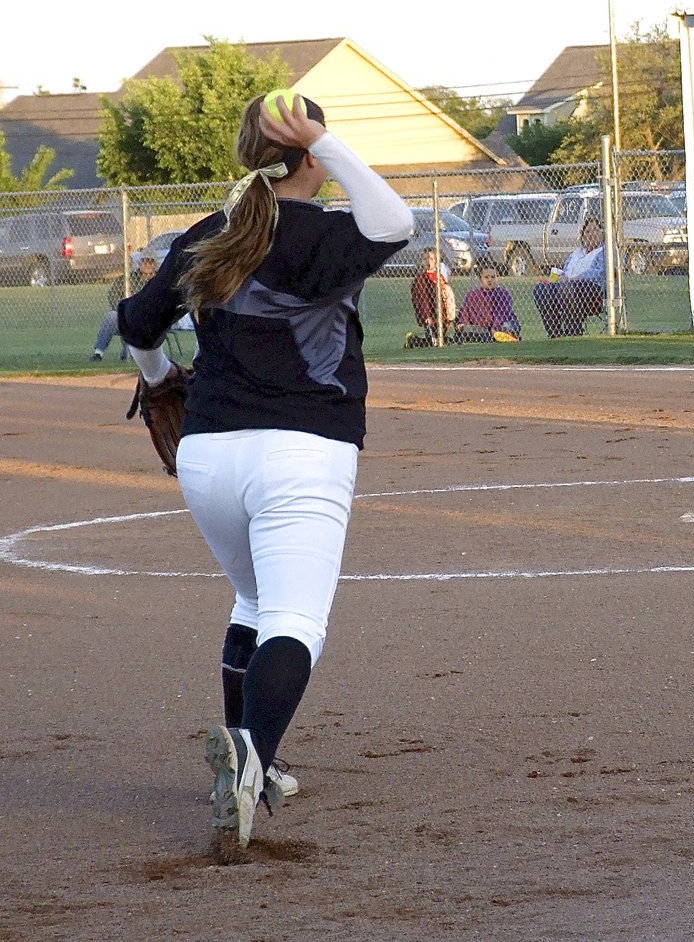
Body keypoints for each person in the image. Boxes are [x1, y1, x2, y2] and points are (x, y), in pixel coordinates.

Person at [116, 91, 412, 847]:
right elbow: (396, 221)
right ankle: (253, 758)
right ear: (311, 152)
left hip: (208, 453)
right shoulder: (328, 231)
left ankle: (256, 761)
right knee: (294, 620)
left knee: (252, 599)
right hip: (303, 449)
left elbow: (136, 322)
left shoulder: (212, 232)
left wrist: (156, 380)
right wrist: (330, 142)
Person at [532, 216, 606, 338]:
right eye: (587, 231)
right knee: (541, 289)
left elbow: (602, 272)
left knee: (567, 287)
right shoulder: (577, 253)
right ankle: (555, 333)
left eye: (595, 230)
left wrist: (579, 278)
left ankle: (573, 330)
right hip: (566, 286)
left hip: (592, 289)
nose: (591, 234)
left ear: (602, 232)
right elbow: (565, 271)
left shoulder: (605, 250)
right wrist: (562, 278)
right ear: (583, 236)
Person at [91, 253, 158, 360]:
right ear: (140, 264)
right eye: (145, 262)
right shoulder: (129, 278)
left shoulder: (160, 280)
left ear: (155, 264)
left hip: (150, 320)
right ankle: (98, 353)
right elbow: (113, 294)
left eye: (150, 262)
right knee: (111, 316)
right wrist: (124, 309)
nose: (147, 265)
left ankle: (127, 353)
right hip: (128, 315)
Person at [456, 263, 520, 342]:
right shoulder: (472, 294)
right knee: (466, 329)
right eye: (486, 277)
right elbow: (465, 311)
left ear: (498, 278)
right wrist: (463, 322)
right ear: (480, 279)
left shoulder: (503, 293)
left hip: (501, 324)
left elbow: (502, 313)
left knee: (506, 327)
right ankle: (491, 337)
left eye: (493, 277)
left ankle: (498, 336)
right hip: (482, 328)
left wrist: (495, 328)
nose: (490, 280)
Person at [407, 247, 457, 347]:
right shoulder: (421, 278)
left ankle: (445, 340)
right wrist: (427, 315)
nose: (428, 261)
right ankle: (414, 341)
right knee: (434, 341)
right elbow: (421, 298)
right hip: (430, 314)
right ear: (421, 261)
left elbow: (446, 293)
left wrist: (450, 312)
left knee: (440, 338)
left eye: (431, 259)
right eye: (425, 259)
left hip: (442, 313)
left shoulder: (439, 276)